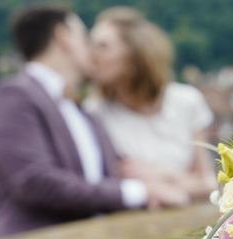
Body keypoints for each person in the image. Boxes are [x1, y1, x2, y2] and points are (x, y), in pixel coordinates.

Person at [0, 5, 185, 239]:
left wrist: (155, 178)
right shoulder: (13, 94)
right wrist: (138, 191)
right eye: (84, 37)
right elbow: (33, 181)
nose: (91, 49)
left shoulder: (82, 110)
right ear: (63, 37)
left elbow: (107, 175)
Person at [86, 7, 216, 202]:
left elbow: (209, 185)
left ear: (134, 54)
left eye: (103, 46)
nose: (91, 56)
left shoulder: (187, 101)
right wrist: (182, 183)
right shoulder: (95, 112)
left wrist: (160, 175)